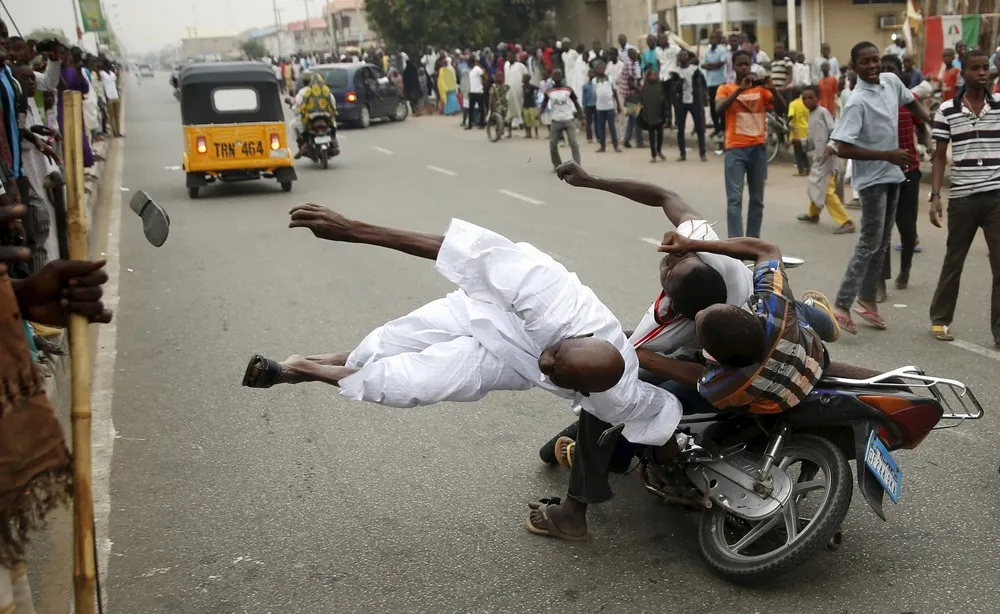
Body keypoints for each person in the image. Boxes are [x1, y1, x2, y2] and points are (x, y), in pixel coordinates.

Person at [242, 205, 684, 446]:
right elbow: (459, 251)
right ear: (574, 336)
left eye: (554, 373)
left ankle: (301, 369)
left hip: (508, 361)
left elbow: (656, 411)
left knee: (409, 383)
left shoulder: (615, 400)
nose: (545, 364)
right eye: (554, 354)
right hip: (487, 309)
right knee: (386, 344)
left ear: (582, 391)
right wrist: (355, 230)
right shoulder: (550, 297)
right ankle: (318, 362)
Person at [829, 41, 931, 335]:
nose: (872, 66)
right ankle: (841, 304)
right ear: (854, 67)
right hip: (872, 179)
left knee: (883, 241)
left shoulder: (891, 81)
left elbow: (911, 101)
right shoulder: (857, 101)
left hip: (893, 174)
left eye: (875, 60)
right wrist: (887, 154)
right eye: (865, 62)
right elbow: (843, 148)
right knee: (868, 242)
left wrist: (930, 119)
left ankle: (868, 300)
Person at [928, 50, 1000, 346]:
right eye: (975, 68)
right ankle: (940, 319)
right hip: (962, 197)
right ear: (964, 73)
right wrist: (935, 195)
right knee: (954, 259)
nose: (982, 73)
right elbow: (939, 156)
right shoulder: (947, 110)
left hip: (996, 195)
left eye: (986, 68)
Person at [716, 50, 786, 237]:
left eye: (747, 64)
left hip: (758, 149)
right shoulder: (726, 88)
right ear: (734, 66)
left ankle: (753, 241)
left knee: (757, 200)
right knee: (734, 200)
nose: (744, 68)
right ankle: (736, 242)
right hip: (735, 149)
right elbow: (719, 109)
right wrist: (740, 89)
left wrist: (773, 88)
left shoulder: (761, 90)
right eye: (740, 65)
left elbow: (782, 108)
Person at [879, 54, 927, 294]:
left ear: (900, 73)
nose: (888, 73)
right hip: (882, 174)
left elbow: (922, 126)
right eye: (883, 69)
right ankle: (880, 283)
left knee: (907, 229)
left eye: (892, 69)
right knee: (882, 231)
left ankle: (905, 270)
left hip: (910, 172)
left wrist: (928, 145)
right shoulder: (873, 101)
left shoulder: (911, 100)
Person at [796, 86, 855, 234]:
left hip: (828, 158)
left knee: (826, 190)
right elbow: (812, 138)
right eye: (804, 98)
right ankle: (813, 214)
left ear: (818, 97)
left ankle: (846, 221)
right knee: (814, 186)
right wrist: (802, 142)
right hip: (819, 158)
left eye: (811, 98)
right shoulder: (811, 114)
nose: (807, 101)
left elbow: (834, 131)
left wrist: (830, 145)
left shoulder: (823, 112)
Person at [540, 69, 582, 169]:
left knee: (573, 142)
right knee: (553, 144)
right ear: (552, 77)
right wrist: (539, 114)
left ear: (562, 76)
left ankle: (577, 165)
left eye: (559, 74)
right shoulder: (549, 91)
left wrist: (581, 114)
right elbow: (544, 103)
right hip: (555, 120)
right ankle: (557, 164)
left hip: (568, 119)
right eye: (555, 75)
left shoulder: (568, 89)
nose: (557, 77)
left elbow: (576, 102)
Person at [672, 50, 707, 162]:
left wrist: (704, 96)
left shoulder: (695, 70)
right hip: (681, 102)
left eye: (684, 55)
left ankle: (702, 153)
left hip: (695, 101)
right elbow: (674, 89)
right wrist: (680, 82)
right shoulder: (675, 72)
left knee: (699, 128)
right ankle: (682, 153)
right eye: (680, 55)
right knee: (680, 129)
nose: (683, 57)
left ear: (688, 57)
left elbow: (703, 83)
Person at [591, 62, 621, 153]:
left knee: (612, 126)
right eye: (599, 68)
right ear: (596, 70)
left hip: (610, 106)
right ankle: (602, 145)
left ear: (605, 69)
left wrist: (618, 105)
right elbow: (594, 94)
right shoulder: (594, 80)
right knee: (601, 127)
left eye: (602, 68)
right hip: (600, 107)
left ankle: (616, 145)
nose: (601, 70)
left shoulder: (610, 78)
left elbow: (615, 92)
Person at [639, 69, 667, 162]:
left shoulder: (660, 85)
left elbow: (664, 98)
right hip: (649, 114)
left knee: (660, 134)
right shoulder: (644, 87)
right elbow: (641, 100)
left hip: (659, 113)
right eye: (652, 75)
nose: (654, 77)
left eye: (655, 75)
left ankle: (659, 150)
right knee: (651, 136)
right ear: (648, 76)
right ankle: (653, 155)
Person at [620, 48, 644, 149]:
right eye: (634, 54)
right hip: (631, 93)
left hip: (629, 94)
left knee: (631, 118)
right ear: (630, 55)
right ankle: (639, 141)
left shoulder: (634, 63)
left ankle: (627, 139)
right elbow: (630, 81)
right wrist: (639, 90)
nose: (636, 55)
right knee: (636, 117)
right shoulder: (629, 64)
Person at [656, 33, 679, 129]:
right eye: (660, 39)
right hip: (662, 77)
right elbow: (658, 63)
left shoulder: (674, 48)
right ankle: (668, 121)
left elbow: (681, 56)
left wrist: (677, 70)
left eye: (663, 39)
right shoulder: (657, 50)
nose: (662, 41)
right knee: (666, 102)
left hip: (671, 77)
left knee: (675, 101)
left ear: (667, 39)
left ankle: (677, 122)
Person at [788, 88, 810, 175]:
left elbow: (791, 115)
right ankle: (808, 168)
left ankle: (801, 170)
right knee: (804, 151)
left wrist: (787, 123)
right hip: (806, 129)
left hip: (796, 130)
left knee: (797, 151)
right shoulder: (804, 103)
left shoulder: (793, 104)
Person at [99, 59, 122, 138]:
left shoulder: (112, 74)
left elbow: (115, 83)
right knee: (112, 116)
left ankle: (118, 132)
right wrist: (105, 97)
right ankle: (115, 133)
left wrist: (118, 95)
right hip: (109, 97)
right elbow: (102, 86)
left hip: (115, 96)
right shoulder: (102, 74)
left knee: (117, 116)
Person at [505, 52, 527, 129]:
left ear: (515, 57)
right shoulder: (506, 65)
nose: (509, 58)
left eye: (511, 56)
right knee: (511, 104)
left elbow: (525, 75)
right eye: (508, 57)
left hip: (518, 88)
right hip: (509, 88)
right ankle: (514, 121)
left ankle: (519, 121)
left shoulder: (520, 66)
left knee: (519, 103)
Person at [489, 72, 511, 138]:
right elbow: (491, 97)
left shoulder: (506, 86)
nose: (499, 77)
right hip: (497, 106)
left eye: (501, 76)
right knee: (499, 120)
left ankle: (508, 132)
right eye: (498, 76)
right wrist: (491, 107)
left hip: (505, 105)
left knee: (507, 119)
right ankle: (498, 132)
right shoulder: (493, 86)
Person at [466, 57, 486, 129]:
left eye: (469, 63)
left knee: (481, 109)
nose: (468, 64)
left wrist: (482, 84)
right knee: (471, 109)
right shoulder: (470, 71)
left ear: (473, 63)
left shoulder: (478, 69)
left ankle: (482, 124)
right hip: (472, 92)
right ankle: (470, 124)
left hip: (479, 92)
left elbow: (484, 77)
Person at [521, 74, 539, 138]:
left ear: (528, 79)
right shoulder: (523, 86)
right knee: (526, 120)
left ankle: (536, 133)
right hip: (525, 105)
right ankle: (528, 133)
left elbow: (538, 89)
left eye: (524, 78)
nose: (522, 79)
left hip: (532, 105)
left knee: (534, 119)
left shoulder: (531, 86)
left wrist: (536, 95)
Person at [581, 68, 596, 143]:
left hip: (596, 105)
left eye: (593, 73)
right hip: (588, 105)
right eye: (590, 73)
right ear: (588, 75)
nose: (591, 75)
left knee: (598, 122)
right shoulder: (585, 86)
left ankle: (599, 136)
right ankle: (589, 137)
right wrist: (583, 106)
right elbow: (584, 97)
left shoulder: (596, 84)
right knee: (588, 122)